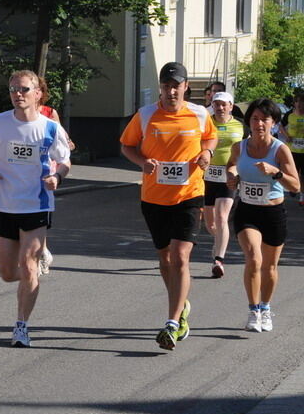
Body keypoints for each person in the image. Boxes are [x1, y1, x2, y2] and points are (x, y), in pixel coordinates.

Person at [120, 62, 217, 351]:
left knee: (180, 257)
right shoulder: (146, 115)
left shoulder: (200, 114)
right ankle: (181, 302)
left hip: (190, 195)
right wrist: (142, 162)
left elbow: (210, 136)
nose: (171, 91)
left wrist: (207, 152)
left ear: (186, 86)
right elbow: (126, 145)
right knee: (164, 260)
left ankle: (173, 322)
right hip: (153, 198)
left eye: (176, 85)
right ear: (160, 87)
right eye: (166, 86)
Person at [0, 70, 71, 347]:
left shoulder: (50, 128)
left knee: (28, 265)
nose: (18, 94)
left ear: (38, 93)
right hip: (4, 203)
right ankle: (31, 275)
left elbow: (65, 161)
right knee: (7, 273)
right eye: (13, 90)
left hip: (36, 203)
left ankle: (21, 326)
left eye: (24, 90)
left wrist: (57, 177)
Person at [227, 98, 300, 333]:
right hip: (247, 210)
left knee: (269, 266)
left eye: (264, 120)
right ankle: (253, 310)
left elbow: (295, 186)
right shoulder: (240, 147)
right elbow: (231, 164)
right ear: (249, 122)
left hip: (273, 212)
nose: (259, 124)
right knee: (253, 257)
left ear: (274, 123)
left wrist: (276, 172)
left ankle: (266, 308)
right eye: (255, 119)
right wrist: (231, 175)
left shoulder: (280, 150)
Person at [34, 77, 75, 275]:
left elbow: (62, 137)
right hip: (23, 172)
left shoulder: (50, 113)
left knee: (40, 217)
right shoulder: (15, 117)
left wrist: (68, 142)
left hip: (46, 169)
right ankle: (42, 251)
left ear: (40, 93)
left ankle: (41, 253)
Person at [203, 91, 245, 278]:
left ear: (231, 106)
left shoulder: (240, 125)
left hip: (228, 176)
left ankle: (219, 259)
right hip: (206, 177)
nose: (220, 108)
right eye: (216, 104)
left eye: (223, 104)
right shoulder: (205, 122)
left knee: (222, 217)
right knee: (210, 223)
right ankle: (218, 240)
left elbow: (246, 149)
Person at [277, 90, 304, 207]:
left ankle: (302, 195)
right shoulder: (289, 114)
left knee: (303, 174)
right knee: (293, 171)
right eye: (297, 102)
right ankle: (294, 188)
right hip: (292, 149)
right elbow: (280, 125)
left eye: (302, 102)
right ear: (294, 103)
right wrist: (286, 136)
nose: (299, 104)